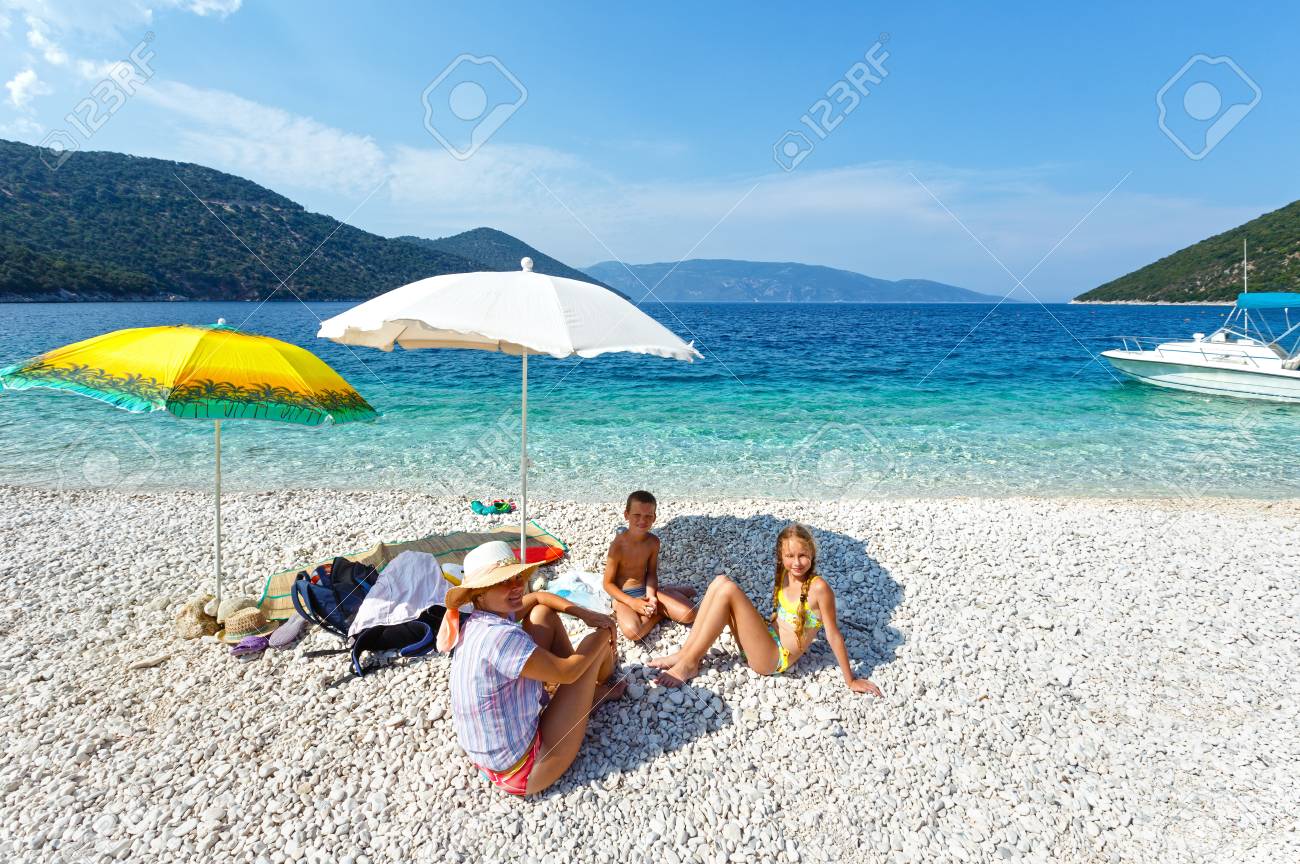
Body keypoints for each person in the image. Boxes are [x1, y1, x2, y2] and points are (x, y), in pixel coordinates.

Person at [445, 540, 626, 796]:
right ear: (479, 593)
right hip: (524, 770)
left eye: (517, 577)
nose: (517, 586)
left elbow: (540, 598)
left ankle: (585, 692)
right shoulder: (502, 639)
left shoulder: (480, 620)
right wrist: (604, 631)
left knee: (541, 613)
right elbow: (569, 671)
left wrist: (583, 613)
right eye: (503, 581)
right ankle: (603, 683)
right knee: (595, 640)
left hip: (491, 756)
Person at [650, 523, 882, 696]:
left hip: (773, 659)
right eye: (790, 556)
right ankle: (685, 654)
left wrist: (850, 679)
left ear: (812, 554)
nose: (797, 562)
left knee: (728, 589)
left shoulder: (819, 588)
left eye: (803, 555)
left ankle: (690, 664)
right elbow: (781, 616)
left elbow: (832, 634)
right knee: (720, 582)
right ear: (781, 557)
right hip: (766, 639)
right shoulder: (786, 575)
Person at [603, 490, 697, 640]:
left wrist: (652, 597)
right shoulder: (618, 546)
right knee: (633, 633)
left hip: (646, 590)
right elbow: (607, 584)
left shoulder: (653, 542)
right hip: (623, 597)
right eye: (637, 515)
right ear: (626, 515)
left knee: (690, 614)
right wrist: (632, 603)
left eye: (648, 516)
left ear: (654, 518)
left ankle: (662, 597)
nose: (642, 520)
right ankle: (661, 611)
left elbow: (651, 573)